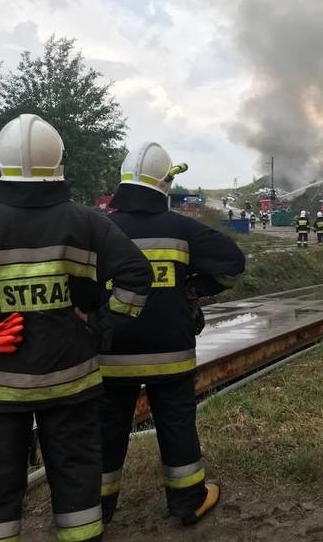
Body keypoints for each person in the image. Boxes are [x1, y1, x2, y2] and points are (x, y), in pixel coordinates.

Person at [0, 114, 152, 542]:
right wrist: (101, 324)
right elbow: (136, 273)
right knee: (78, 479)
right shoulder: (86, 222)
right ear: (59, 163)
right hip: (72, 382)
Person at [98, 143, 246, 527]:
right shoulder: (182, 229)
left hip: (111, 353)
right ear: (165, 185)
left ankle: (95, 509)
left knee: (105, 427)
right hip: (170, 354)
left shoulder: (97, 228)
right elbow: (232, 264)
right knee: (176, 423)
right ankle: (187, 502)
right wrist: (194, 289)